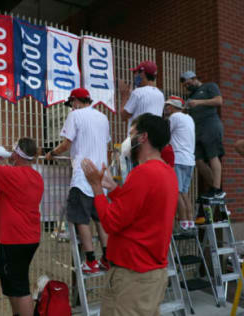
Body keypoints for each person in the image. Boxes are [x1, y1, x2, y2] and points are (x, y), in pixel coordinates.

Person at [81, 113, 178, 316]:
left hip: (133, 278)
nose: (128, 140)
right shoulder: (166, 172)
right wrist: (114, 189)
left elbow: (110, 222)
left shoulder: (143, 173)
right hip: (147, 275)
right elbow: (140, 209)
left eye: (131, 133)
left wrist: (97, 188)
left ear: (143, 137)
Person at [0, 138, 44, 316]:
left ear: (17, 155)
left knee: (20, 287)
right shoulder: (34, 176)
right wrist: (7, 165)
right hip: (24, 237)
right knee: (4, 274)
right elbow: (15, 180)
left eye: (13, 151)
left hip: (16, 239)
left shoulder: (12, 175)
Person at [45, 88, 110, 274]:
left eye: (71, 104)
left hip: (82, 175)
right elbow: (105, 144)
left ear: (75, 101)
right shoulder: (103, 118)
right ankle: (107, 258)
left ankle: (90, 260)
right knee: (100, 218)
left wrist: (52, 153)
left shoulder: (75, 116)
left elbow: (67, 144)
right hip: (101, 176)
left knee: (81, 219)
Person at [180, 70, 225, 199]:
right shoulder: (191, 96)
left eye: (188, 83)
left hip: (210, 125)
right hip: (196, 130)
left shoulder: (209, 86)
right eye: (185, 86)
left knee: (213, 156)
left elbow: (219, 101)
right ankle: (216, 189)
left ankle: (216, 188)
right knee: (198, 160)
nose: (187, 87)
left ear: (194, 78)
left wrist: (199, 102)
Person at [164, 96, 196, 230]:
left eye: (167, 106)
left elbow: (165, 135)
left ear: (171, 107)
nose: (165, 109)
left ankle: (183, 221)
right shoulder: (189, 118)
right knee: (184, 193)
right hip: (189, 160)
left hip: (178, 159)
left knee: (176, 192)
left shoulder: (174, 118)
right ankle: (190, 221)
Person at [120, 60, 165, 135]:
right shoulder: (160, 94)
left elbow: (123, 116)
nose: (134, 76)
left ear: (142, 73)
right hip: (153, 138)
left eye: (135, 72)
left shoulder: (138, 92)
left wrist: (124, 95)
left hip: (138, 138)